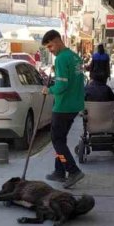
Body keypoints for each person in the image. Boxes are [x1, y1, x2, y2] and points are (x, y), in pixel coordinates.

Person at [40, 29, 86, 187]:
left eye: (50, 46)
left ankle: (72, 171)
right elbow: (78, 80)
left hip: (63, 106)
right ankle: (59, 171)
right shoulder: (75, 57)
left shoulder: (61, 59)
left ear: (58, 40)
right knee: (61, 139)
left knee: (57, 140)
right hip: (75, 105)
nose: (50, 51)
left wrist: (49, 89)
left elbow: (62, 86)